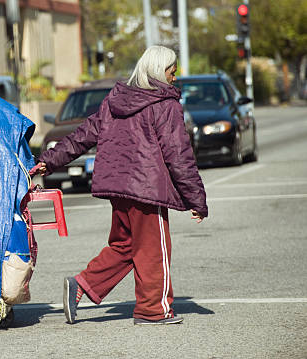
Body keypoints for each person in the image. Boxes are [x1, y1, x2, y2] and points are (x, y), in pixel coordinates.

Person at [30, 46, 207, 325]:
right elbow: (178, 153)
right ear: (161, 72)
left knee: (125, 245)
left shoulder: (116, 100)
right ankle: (153, 310)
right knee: (153, 249)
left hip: (118, 187)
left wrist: (48, 161)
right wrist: (196, 198)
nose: (175, 78)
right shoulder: (165, 103)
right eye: (173, 72)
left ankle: (82, 284)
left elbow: (83, 135)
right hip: (147, 188)